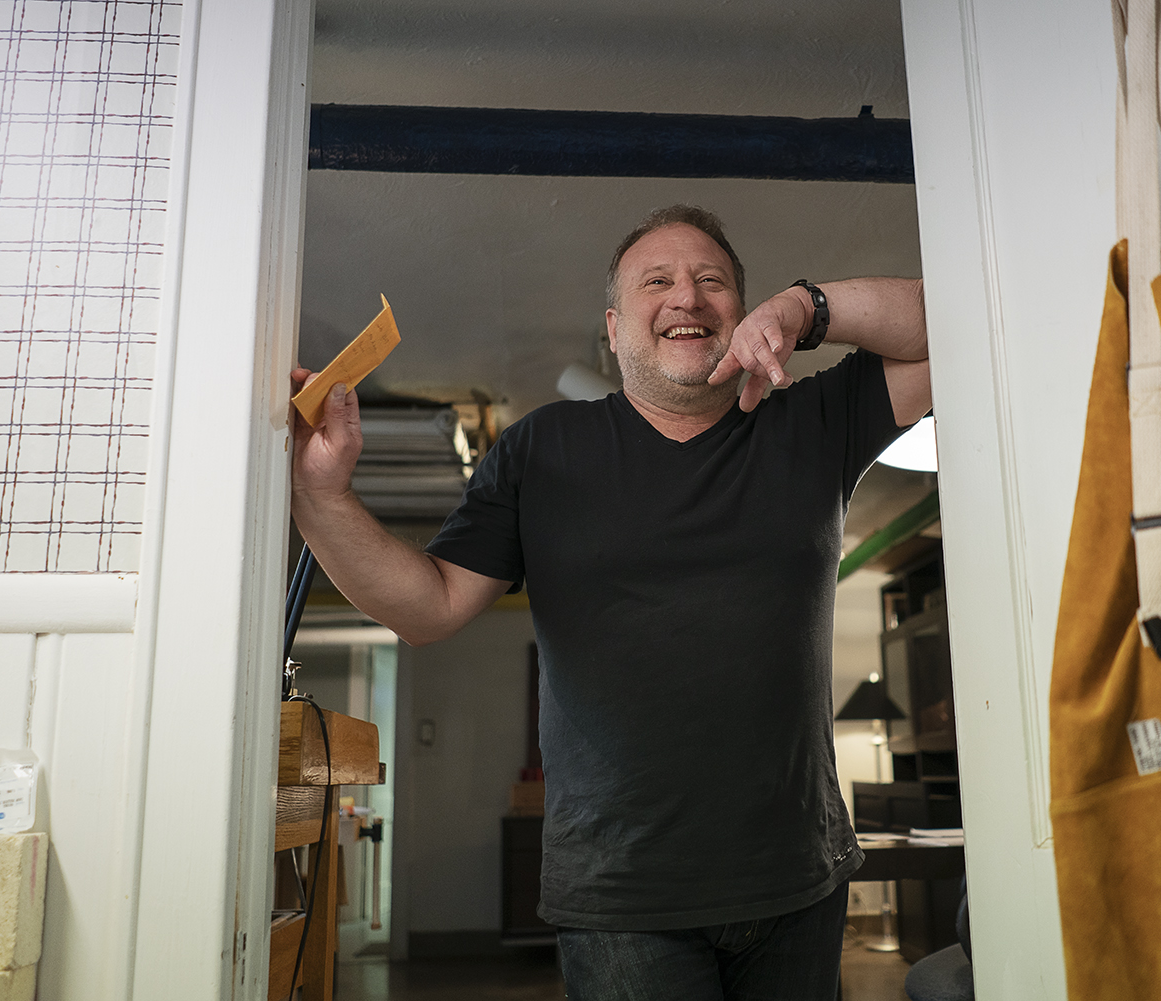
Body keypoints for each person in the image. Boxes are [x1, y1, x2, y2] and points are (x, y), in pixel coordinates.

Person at [291, 205, 931, 1000]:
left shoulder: (812, 418)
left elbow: (955, 326)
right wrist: (322, 495)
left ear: (742, 308)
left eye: (712, 281)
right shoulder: (540, 450)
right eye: (655, 282)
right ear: (613, 325)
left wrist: (807, 306)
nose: (687, 298)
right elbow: (429, 607)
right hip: (623, 898)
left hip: (798, 879)